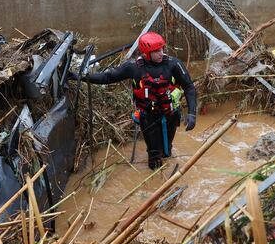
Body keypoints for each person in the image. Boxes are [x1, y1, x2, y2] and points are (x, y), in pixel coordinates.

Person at [78, 32, 197, 170]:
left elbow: (189, 87)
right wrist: (80, 77)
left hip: (170, 115)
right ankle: (155, 177)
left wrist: (192, 113)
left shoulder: (174, 64)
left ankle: (167, 172)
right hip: (148, 117)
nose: (161, 53)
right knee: (154, 155)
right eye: (156, 51)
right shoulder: (133, 67)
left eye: (162, 49)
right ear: (147, 53)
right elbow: (108, 77)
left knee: (167, 151)